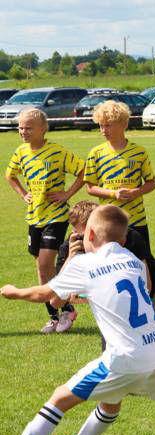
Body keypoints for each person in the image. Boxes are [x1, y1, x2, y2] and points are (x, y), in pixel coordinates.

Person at [0, 205, 155, 435]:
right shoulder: (132, 259)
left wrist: (13, 292)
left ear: (89, 233)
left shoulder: (86, 265)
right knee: (112, 398)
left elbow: (49, 296)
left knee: (59, 399)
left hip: (125, 357)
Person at [5, 107, 84, 333]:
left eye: (28, 127)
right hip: (34, 217)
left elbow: (83, 170)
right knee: (42, 270)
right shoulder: (21, 152)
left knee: (45, 263)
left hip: (56, 216)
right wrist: (23, 194)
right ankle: (57, 315)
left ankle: (65, 309)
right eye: (20, 127)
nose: (23, 131)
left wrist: (67, 194)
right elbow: (10, 175)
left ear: (43, 129)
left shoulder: (57, 152)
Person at [57, 201, 155, 336]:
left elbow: (146, 286)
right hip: (120, 295)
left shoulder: (128, 237)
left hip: (151, 286)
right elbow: (56, 301)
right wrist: (70, 258)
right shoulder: (71, 246)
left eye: (91, 232)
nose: (88, 238)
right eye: (81, 234)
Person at [84, 99, 155, 250]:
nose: (104, 130)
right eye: (101, 125)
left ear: (123, 125)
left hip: (136, 220)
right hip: (108, 223)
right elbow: (90, 188)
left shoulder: (139, 152)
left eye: (108, 125)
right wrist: (113, 194)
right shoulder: (95, 153)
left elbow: (151, 183)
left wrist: (137, 192)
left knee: (141, 264)